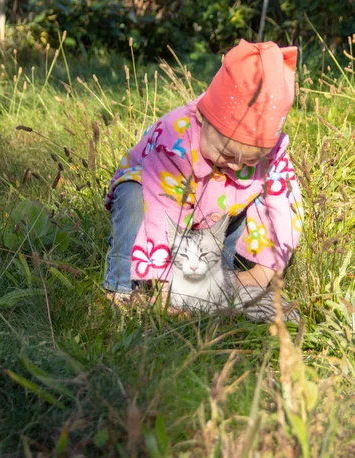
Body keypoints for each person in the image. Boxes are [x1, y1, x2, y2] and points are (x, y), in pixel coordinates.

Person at [103, 39, 303, 310]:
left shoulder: (270, 154)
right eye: (228, 154)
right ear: (204, 118)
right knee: (134, 198)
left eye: (250, 161)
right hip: (157, 205)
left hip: (215, 215)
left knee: (261, 197)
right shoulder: (177, 140)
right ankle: (124, 286)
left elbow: (282, 209)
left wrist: (263, 272)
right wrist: (165, 289)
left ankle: (211, 284)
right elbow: (162, 214)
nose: (235, 166)